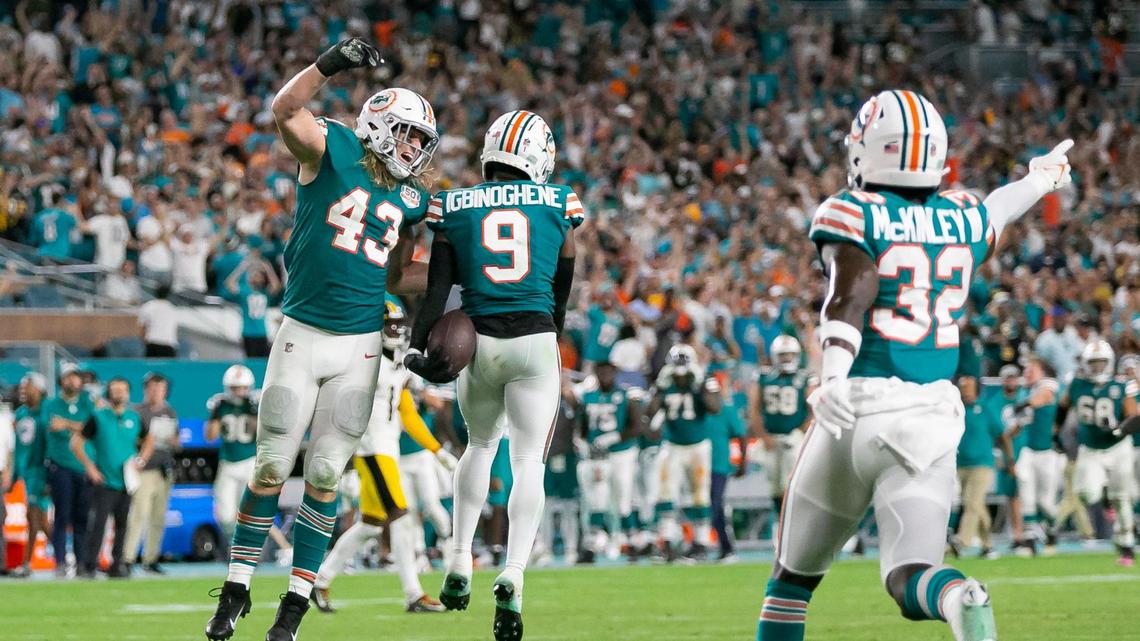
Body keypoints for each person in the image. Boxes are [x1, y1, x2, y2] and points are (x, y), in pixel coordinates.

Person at [756, 89, 1072, 641]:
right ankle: (958, 598)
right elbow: (996, 207)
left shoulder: (853, 212)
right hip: (930, 415)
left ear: (870, 149)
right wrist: (1041, 180)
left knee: (790, 583)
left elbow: (851, 294)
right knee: (912, 577)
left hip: (858, 407)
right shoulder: (960, 216)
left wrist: (831, 373)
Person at [205, 38, 437, 641]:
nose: (414, 148)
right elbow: (285, 110)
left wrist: (456, 268)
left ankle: (295, 606)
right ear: (381, 125)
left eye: (421, 140)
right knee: (270, 467)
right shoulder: (333, 147)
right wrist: (329, 64)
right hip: (303, 333)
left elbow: (394, 274)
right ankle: (236, 589)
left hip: (359, 347)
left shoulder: (411, 198)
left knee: (327, 477)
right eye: (407, 134)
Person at [405, 109, 581, 640]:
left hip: (477, 341)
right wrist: (552, 332)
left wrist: (421, 351)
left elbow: (437, 289)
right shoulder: (559, 201)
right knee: (528, 459)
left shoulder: (453, 205)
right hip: (534, 338)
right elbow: (564, 278)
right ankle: (514, 574)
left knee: (480, 448)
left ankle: (460, 558)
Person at [311, 298, 458, 614]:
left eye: (397, 325)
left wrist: (436, 450)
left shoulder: (397, 361)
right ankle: (414, 594)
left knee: (372, 524)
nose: (395, 331)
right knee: (402, 518)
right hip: (372, 449)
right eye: (389, 325)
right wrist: (345, 455)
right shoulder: (362, 360)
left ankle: (319, 581)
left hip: (387, 448)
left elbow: (406, 410)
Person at [1057, 341, 1140, 566]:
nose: (1097, 367)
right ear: (1085, 364)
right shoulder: (1076, 384)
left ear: (1110, 362)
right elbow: (1063, 407)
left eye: (1101, 362)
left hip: (1118, 447)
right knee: (1085, 494)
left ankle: (1126, 546)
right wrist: (1056, 433)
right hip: (1091, 448)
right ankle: (1104, 496)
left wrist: (1118, 428)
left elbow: (1135, 417)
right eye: (1093, 363)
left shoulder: (1122, 385)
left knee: (1122, 498)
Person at [205, 365, 295, 566]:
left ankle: (281, 548)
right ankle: (238, 546)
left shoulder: (255, 404)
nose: (239, 392)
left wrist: (256, 413)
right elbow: (210, 437)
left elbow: (264, 435)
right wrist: (215, 415)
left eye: (242, 387)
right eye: (235, 388)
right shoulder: (222, 406)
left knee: (253, 512)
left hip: (249, 463)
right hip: (227, 464)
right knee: (226, 515)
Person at [645, 344, 722, 562]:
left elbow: (715, 407)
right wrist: (659, 386)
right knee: (665, 493)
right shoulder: (665, 383)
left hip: (698, 446)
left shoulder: (704, 380)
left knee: (699, 494)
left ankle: (701, 542)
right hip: (672, 445)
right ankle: (668, 541)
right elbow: (649, 412)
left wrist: (699, 384)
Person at [71, 377, 147, 579]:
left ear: (129, 393)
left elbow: (149, 439)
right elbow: (76, 442)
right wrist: (90, 467)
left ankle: (117, 564)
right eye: (115, 390)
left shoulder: (134, 417)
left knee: (123, 524)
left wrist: (141, 461)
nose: (119, 393)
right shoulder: (98, 416)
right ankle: (88, 565)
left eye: (122, 390)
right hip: (105, 479)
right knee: (98, 524)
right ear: (109, 393)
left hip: (126, 480)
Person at [571, 359, 643, 561]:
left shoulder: (625, 395)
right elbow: (581, 427)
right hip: (598, 456)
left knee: (622, 500)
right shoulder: (588, 397)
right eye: (601, 371)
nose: (605, 375)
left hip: (622, 453)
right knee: (597, 499)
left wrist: (616, 437)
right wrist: (582, 442)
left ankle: (631, 543)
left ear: (615, 372)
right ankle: (593, 545)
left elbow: (637, 426)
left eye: (608, 371)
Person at [749, 335, 815, 528]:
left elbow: (814, 409)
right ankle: (781, 524)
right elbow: (754, 409)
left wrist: (800, 432)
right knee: (776, 487)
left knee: (795, 485)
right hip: (771, 439)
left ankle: (798, 525)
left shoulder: (806, 377)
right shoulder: (762, 376)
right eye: (783, 354)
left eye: (790, 354)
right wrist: (762, 435)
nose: (787, 358)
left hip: (794, 438)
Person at [43, 363, 96, 577]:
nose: (72, 381)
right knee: (62, 515)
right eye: (68, 377)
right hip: (60, 466)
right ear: (61, 380)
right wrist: (78, 425)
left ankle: (81, 562)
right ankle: (60, 562)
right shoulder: (51, 403)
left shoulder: (88, 403)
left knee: (82, 517)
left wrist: (66, 423)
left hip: (83, 466)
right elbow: (52, 424)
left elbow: (91, 427)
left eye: (76, 377)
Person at [123, 372, 179, 573]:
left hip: (164, 469)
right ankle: (128, 557)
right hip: (145, 469)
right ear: (146, 389)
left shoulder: (170, 413)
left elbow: (176, 442)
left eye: (160, 387)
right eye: (152, 387)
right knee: (139, 514)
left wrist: (174, 442)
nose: (156, 391)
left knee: (158, 517)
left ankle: (151, 557)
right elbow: (130, 438)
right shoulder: (138, 411)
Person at [953, 376, 1012, 559]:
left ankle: (962, 541)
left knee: (972, 503)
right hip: (960, 464)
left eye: (969, 387)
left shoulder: (986, 409)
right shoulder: (955, 410)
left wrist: (1010, 460)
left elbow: (1002, 435)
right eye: (963, 388)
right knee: (975, 505)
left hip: (982, 464)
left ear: (976, 389)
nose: (966, 391)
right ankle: (988, 546)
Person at [1009, 356, 1061, 554]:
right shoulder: (1027, 391)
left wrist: (1024, 404)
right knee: (1026, 493)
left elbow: (1043, 398)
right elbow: (1021, 423)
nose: (1028, 373)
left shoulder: (1048, 385)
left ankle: (1051, 528)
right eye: (1027, 370)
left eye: (1032, 369)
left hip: (1048, 452)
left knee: (1046, 502)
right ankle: (1029, 539)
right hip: (1029, 451)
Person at [11, 372, 51, 578]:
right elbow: (18, 447)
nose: (23, 391)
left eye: (28, 387)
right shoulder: (21, 414)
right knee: (35, 518)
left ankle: (29, 562)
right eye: (22, 387)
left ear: (39, 389)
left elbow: (50, 443)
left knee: (37, 517)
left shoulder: (47, 410)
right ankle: (65, 556)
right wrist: (14, 474)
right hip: (28, 472)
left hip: (42, 470)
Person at [709, 373, 748, 563]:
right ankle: (698, 545)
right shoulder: (696, 408)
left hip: (718, 465)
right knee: (700, 507)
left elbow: (741, 435)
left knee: (715, 505)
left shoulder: (727, 409)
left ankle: (726, 547)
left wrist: (742, 462)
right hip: (698, 464)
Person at [224, 256, 282, 358]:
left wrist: (268, 268)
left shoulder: (265, 293)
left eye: (259, 276)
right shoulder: (245, 291)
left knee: (263, 361)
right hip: (248, 333)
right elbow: (229, 284)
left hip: (262, 332)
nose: (257, 278)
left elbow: (276, 286)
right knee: (251, 360)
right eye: (255, 275)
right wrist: (242, 268)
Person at [138, 285, 179, 357]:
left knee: (152, 368)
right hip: (168, 344)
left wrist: (143, 341)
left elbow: (142, 327)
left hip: (153, 343)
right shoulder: (173, 309)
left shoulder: (148, 306)